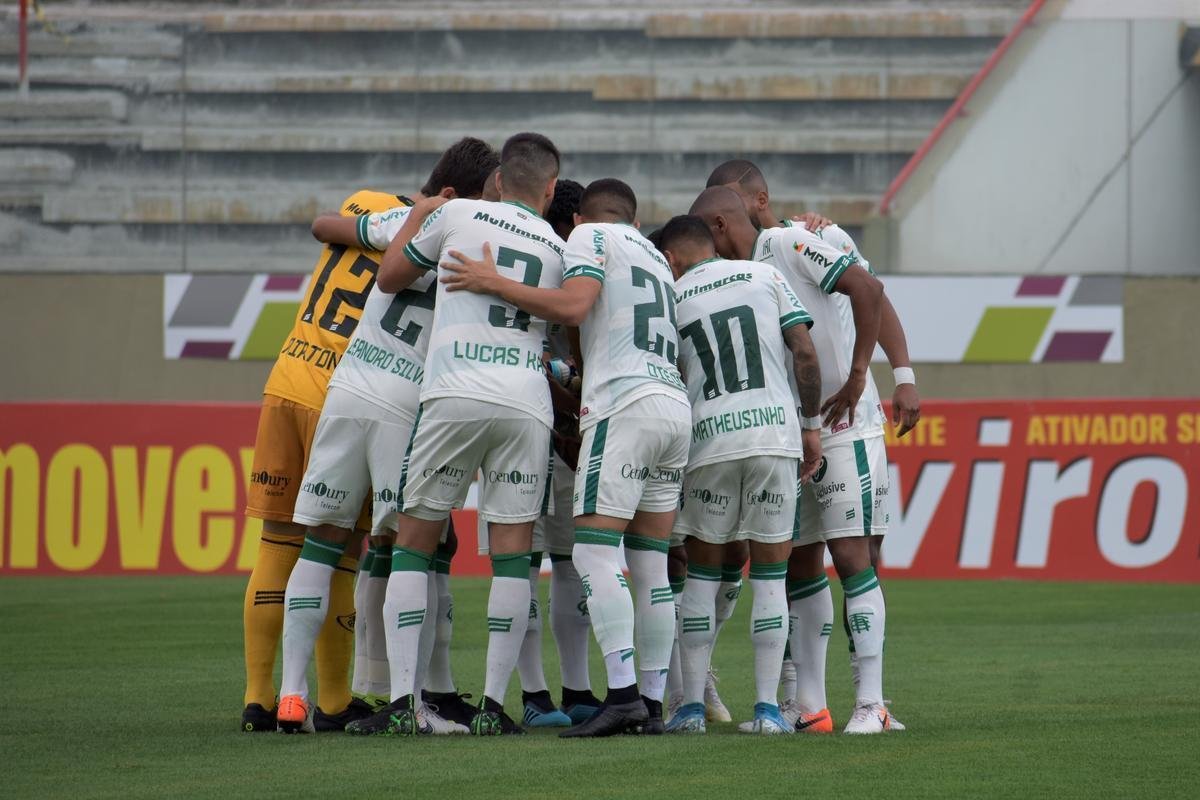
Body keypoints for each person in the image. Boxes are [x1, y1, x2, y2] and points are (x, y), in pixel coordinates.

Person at [439, 178, 688, 737]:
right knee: (650, 565)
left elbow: (575, 307)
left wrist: (492, 281)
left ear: (580, 219)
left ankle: (620, 694)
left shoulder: (587, 237)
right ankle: (650, 703)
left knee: (596, 553)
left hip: (624, 405)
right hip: (673, 406)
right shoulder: (652, 253)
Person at [272, 138, 500, 735]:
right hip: (408, 406)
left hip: (350, 389)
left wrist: (406, 215)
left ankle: (291, 697)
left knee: (319, 544)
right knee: (412, 551)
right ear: (468, 193)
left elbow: (325, 224)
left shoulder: (409, 216)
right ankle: (409, 702)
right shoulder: (479, 233)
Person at [347, 132, 566, 736]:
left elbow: (390, 277)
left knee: (414, 544)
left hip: (455, 392)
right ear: (550, 189)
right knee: (513, 559)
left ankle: (401, 705)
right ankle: (496, 708)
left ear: (498, 181)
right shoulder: (556, 244)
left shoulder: (458, 212)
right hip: (527, 400)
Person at [708, 159, 920, 729]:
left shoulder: (804, 239)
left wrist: (880, 376)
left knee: (854, 557)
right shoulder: (740, 270)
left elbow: (870, 290)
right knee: (799, 562)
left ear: (745, 207)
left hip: (847, 422)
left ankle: (872, 705)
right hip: (792, 430)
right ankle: (809, 706)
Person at [240, 183, 413, 734]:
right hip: (343, 393)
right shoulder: (428, 229)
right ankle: (335, 701)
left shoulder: (364, 201)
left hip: (286, 379)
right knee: (338, 549)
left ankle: (259, 698)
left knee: (275, 547)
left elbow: (326, 227)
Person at [655, 214, 825, 734]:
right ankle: (769, 710)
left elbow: (674, 374)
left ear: (674, 257)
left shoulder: (673, 295)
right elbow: (804, 351)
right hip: (774, 437)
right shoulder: (763, 276)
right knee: (771, 575)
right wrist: (811, 427)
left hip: (710, 443)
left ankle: (687, 708)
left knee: (703, 575)